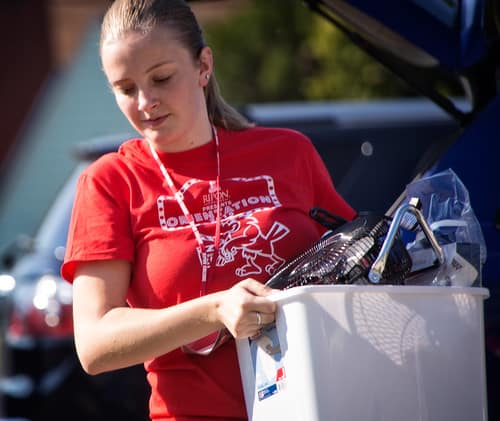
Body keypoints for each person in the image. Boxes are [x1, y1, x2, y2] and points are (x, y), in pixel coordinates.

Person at [61, 0, 356, 420]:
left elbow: (359, 261)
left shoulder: (289, 152)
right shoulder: (111, 181)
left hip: (318, 406)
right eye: (126, 89)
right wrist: (215, 310)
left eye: (161, 78)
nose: (145, 102)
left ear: (203, 66)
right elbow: (94, 345)